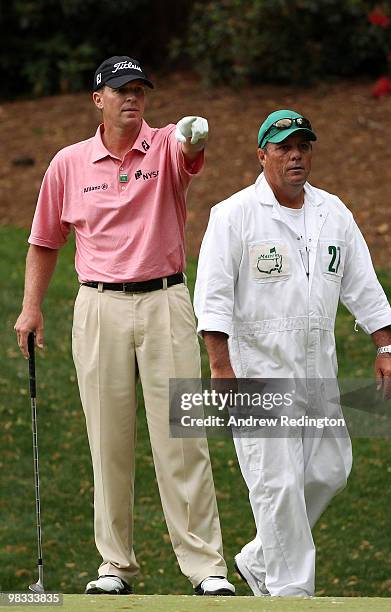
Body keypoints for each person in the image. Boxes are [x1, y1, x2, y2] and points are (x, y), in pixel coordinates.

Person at [14, 55, 235, 597]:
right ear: (99, 100)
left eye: (139, 90)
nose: (131, 98)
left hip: (165, 302)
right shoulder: (68, 164)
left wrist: (193, 137)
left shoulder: (163, 145)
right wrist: (31, 308)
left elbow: (189, 149)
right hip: (98, 307)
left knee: (182, 439)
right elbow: (45, 240)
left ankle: (206, 568)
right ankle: (115, 565)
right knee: (107, 441)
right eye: (120, 90)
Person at [193, 109, 391, 597]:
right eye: (284, 147)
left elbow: (363, 284)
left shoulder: (333, 213)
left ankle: (259, 559)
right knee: (278, 485)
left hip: (317, 374)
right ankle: (291, 594)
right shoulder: (234, 215)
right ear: (261, 155)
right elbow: (213, 297)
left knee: (331, 469)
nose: (295, 155)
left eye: (302, 146)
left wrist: (385, 345)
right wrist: (221, 367)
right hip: (256, 371)